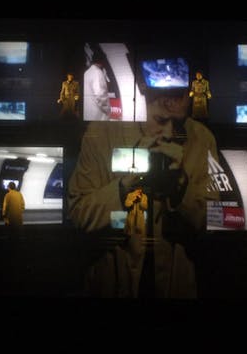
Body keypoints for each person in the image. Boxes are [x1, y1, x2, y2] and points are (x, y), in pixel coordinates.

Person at [68, 86, 220, 298]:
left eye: (178, 123)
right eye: (160, 120)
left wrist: (182, 190)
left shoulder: (202, 139)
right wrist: (123, 187)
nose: (169, 133)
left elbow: (216, 222)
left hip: (175, 285)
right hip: (112, 282)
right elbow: (77, 214)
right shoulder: (100, 134)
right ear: (140, 106)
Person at [83, 51, 111, 121]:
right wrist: (108, 110)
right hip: (98, 116)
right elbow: (100, 95)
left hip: (87, 114)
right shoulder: (97, 72)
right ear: (102, 60)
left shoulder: (87, 72)